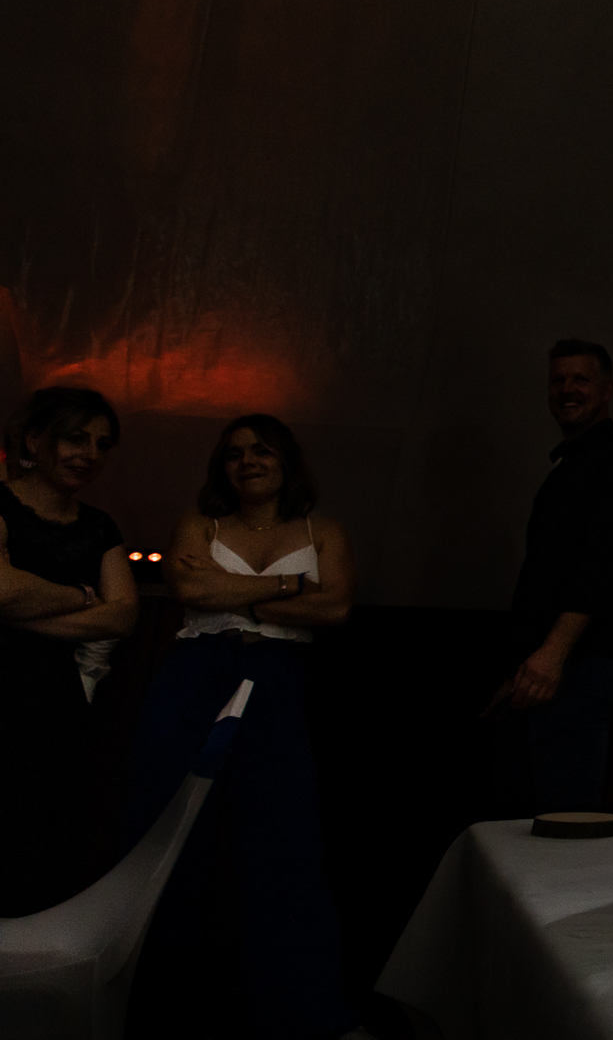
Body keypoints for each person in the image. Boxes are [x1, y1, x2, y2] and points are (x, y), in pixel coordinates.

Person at [122, 413, 359, 1037]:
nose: (247, 461)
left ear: (286, 460)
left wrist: (233, 589)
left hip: (281, 678)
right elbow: (189, 592)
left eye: (261, 450)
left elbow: (334, 605)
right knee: (167, 833)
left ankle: (300, 1016)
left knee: (285, 847)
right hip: (197, 671)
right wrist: (286, 584)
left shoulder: (324, 529)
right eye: (233, 453)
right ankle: (156, 1013)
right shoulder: (198, 525)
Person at [487, 338, 613, 817]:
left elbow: (603, 566)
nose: (566, 389)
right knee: (526, 818)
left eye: (580, 379)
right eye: (557, 380)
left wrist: (551, 656)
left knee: (564, 819)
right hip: (546, 666)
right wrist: (522, 665)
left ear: (607, 390)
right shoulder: (568, 468)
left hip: (577, 665)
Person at [0, 386, 138, 916]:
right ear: (36, 438)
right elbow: (2, 590)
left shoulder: (99, 526)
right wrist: (80, 597)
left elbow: (123, 616)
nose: (90, 454)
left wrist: (21, 608)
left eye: (103, 444)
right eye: (76, 438)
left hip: (53, 703)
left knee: (38, 838)